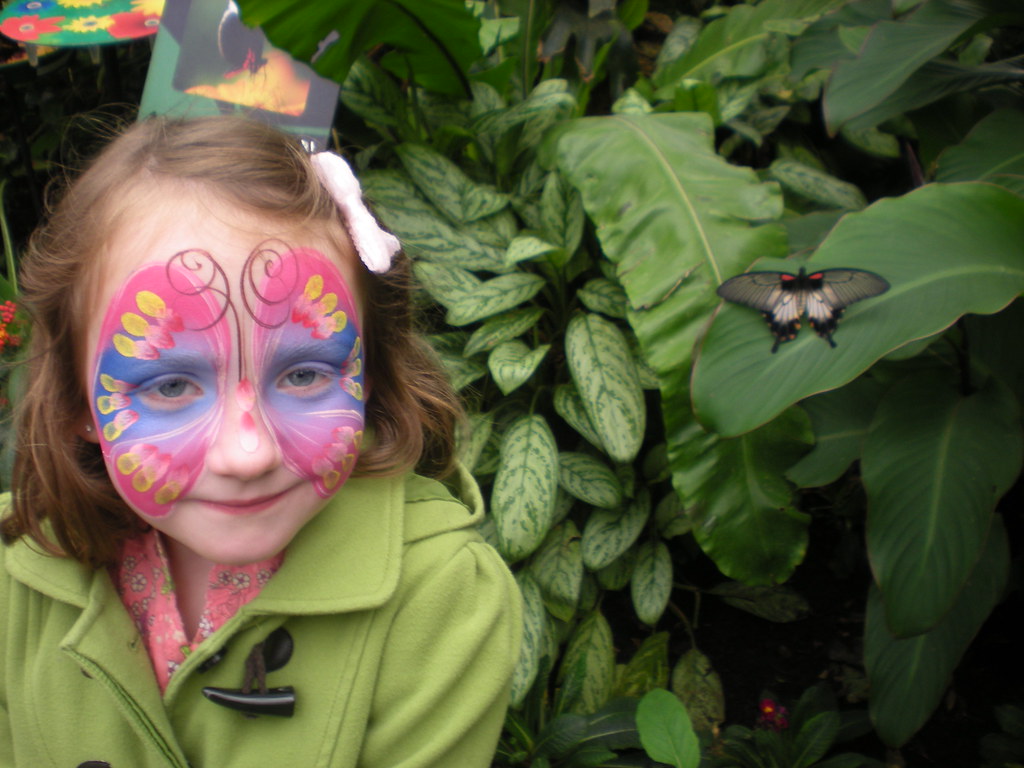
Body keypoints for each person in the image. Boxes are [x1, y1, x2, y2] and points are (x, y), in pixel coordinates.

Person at [0, 116, 522, 768]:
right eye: (168, 386)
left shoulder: (443, 605)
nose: (248, 454)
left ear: (368, 372)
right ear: (79, 402)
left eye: (304, 373)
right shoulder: (13, 577)